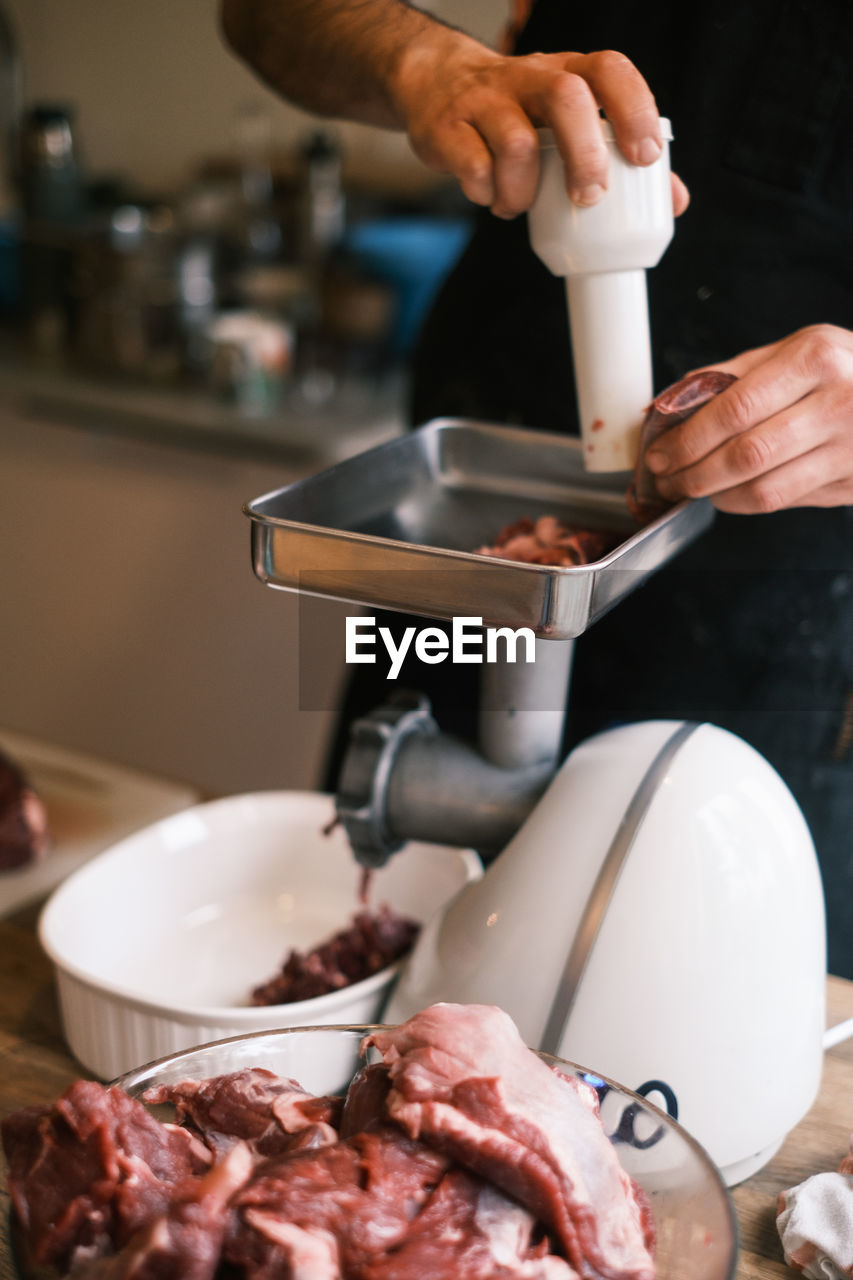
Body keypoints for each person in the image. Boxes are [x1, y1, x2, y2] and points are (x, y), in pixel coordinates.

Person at [221, 0, 853, 974]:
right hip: (465, 544)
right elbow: (262, 17)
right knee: (365, 973)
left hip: (780, 617)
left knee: (689, 1006)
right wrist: (417, 56)